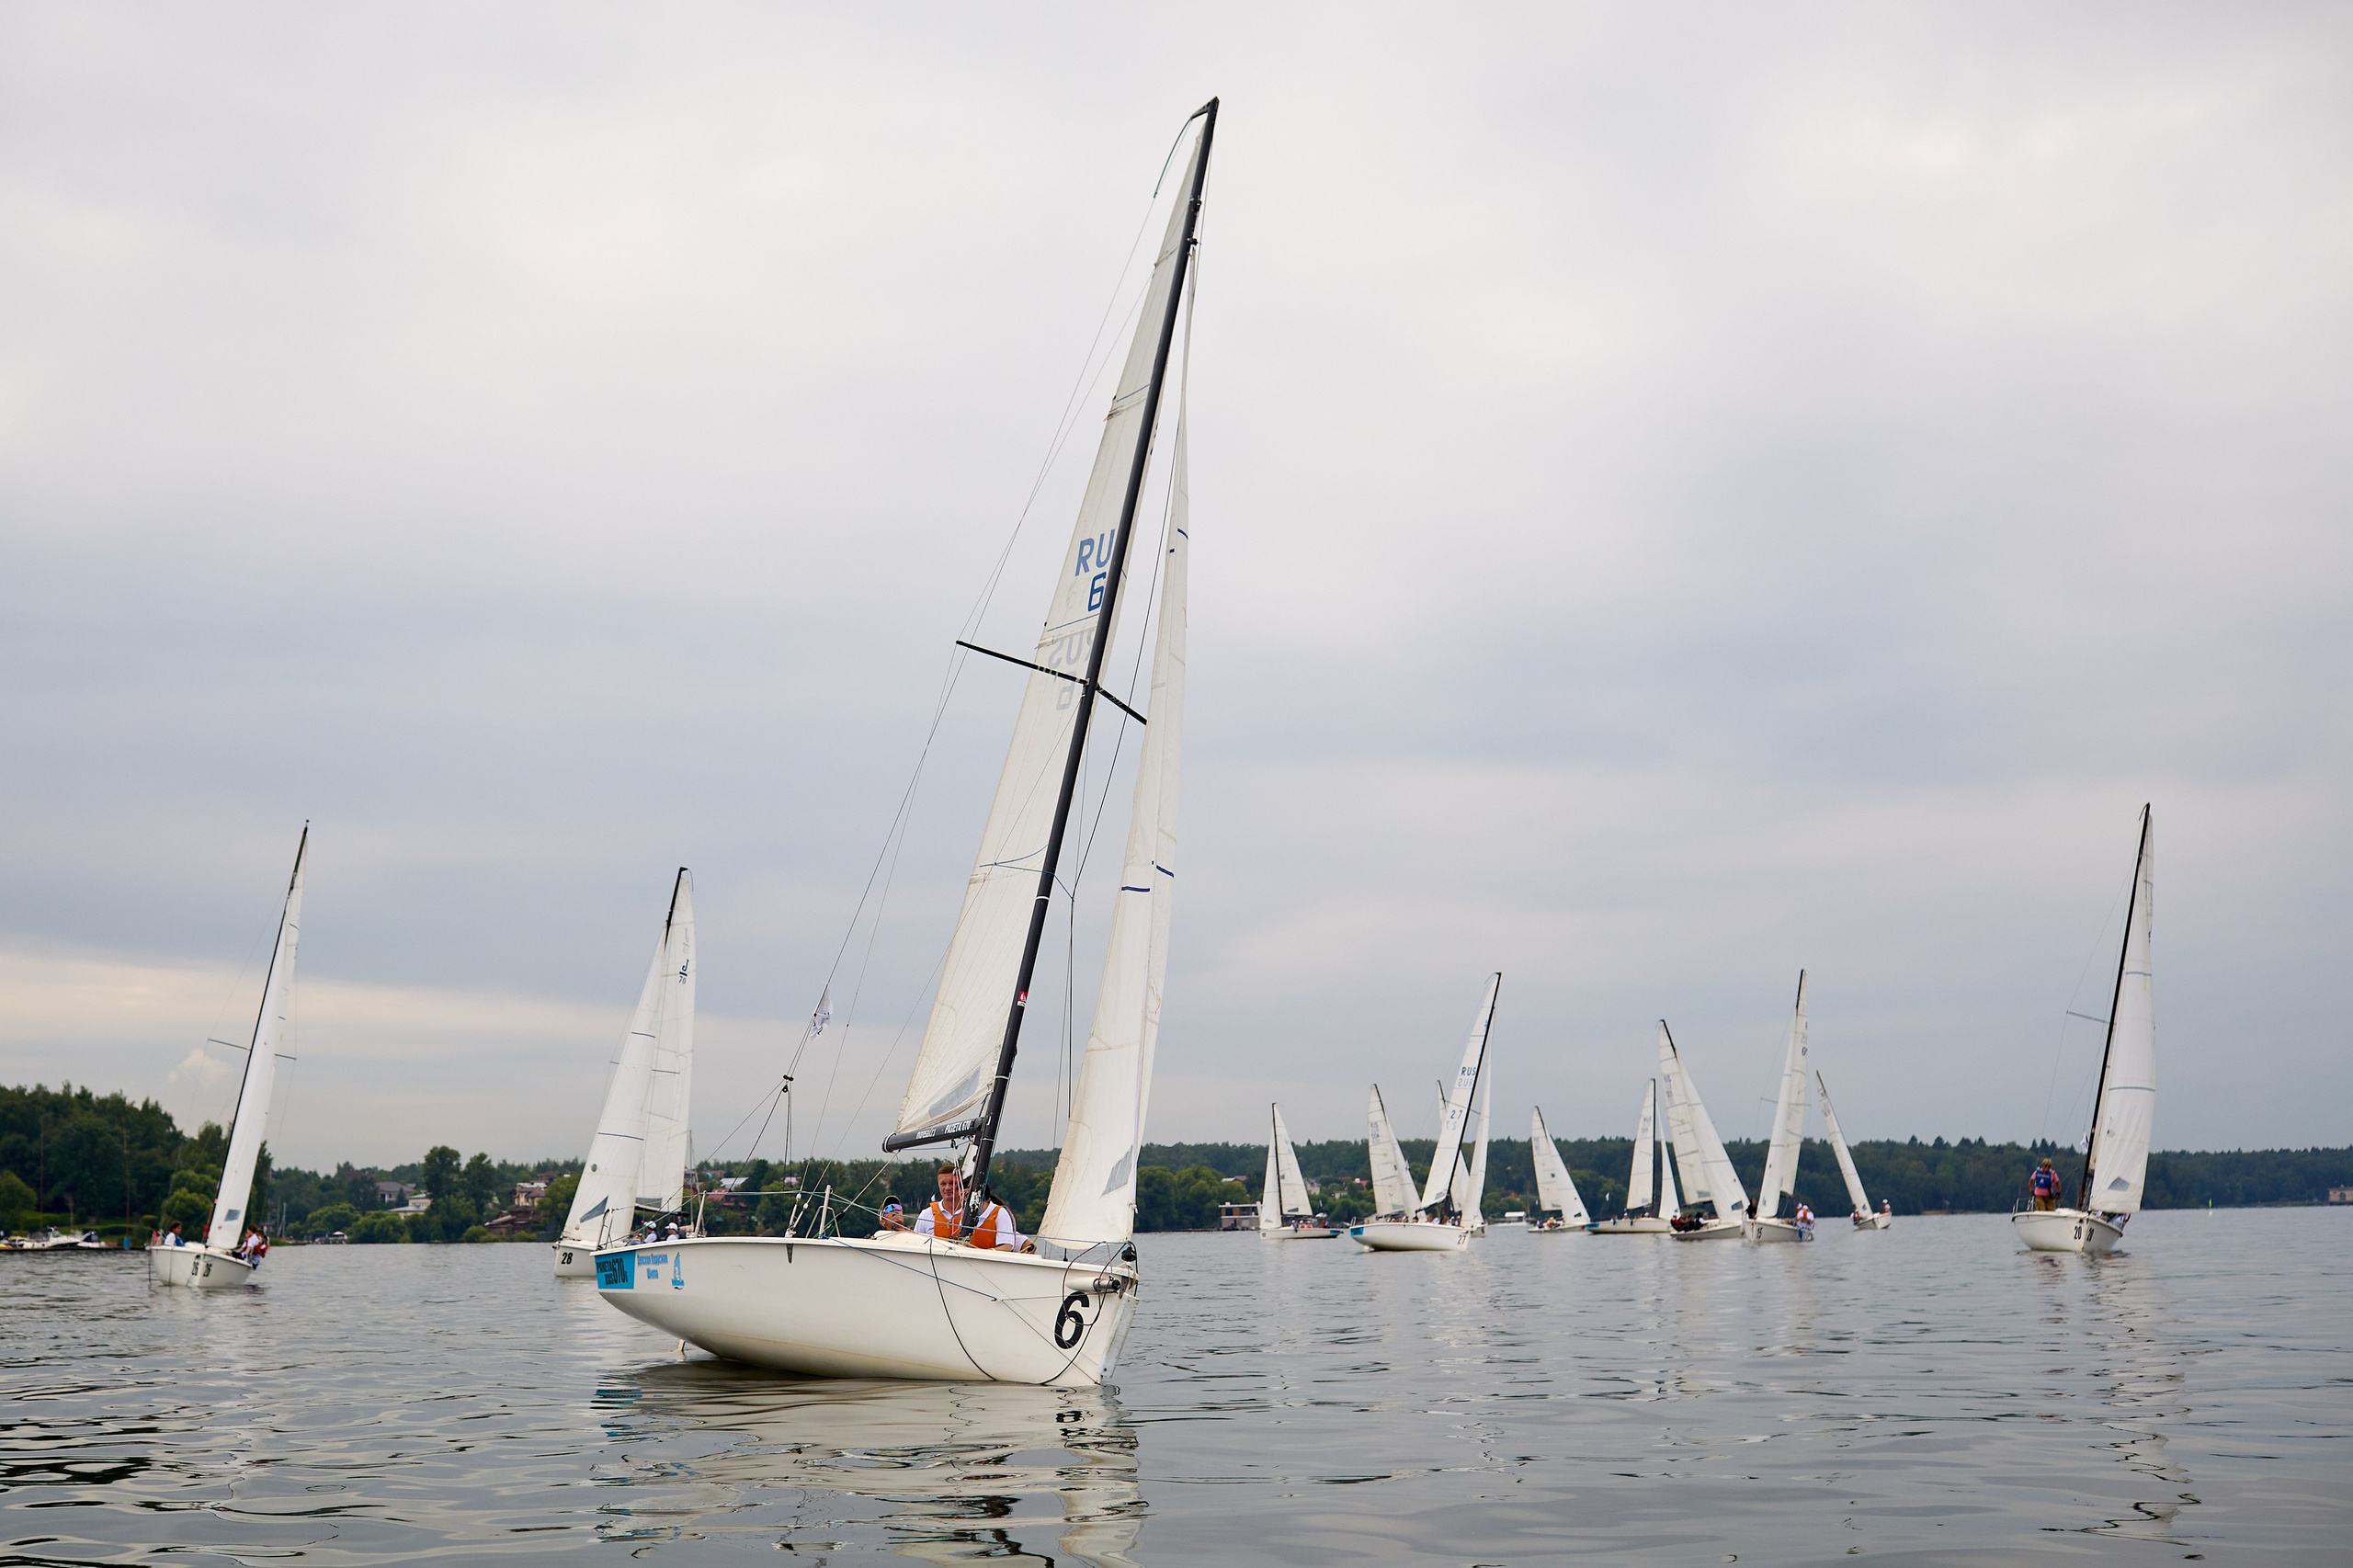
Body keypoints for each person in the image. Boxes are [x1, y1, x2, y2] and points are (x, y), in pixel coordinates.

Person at [913, 1163, 1023, 1252]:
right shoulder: (927, 1214)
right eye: (943, 1184)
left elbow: (1011, 1242)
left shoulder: (983, 1213)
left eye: (952, 1183)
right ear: (938, 1185)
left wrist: (1025, 1243)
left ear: (960, 1186)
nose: (948, 1188)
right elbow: (914, 1243)